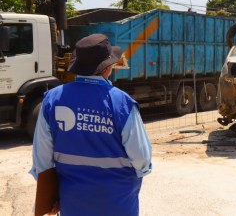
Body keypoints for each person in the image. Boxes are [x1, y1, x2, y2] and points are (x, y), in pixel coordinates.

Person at [30, 33, 152, 216]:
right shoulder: (122, 103)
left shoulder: (52, 100)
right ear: (108, 68)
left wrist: (49, 195)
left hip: (73, 203)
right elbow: (142, 158)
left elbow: (42, 159)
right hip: (118, 203)